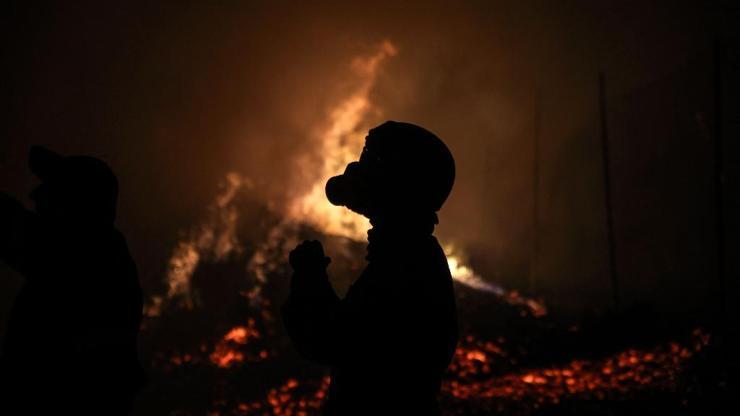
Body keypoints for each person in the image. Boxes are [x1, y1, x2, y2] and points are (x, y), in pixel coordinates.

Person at [282, 121, 458, 415]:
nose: (356, 170)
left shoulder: (403, 267)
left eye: (371, 160)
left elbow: (330, 341)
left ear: (398, 181)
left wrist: (310, 278)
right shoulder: (413, 257)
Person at [0, 146, 145, 415]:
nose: (37, 201)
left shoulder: (90, 256)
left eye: (53, 195)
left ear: (78, 206)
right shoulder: (103, 254)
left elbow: (16, 230)